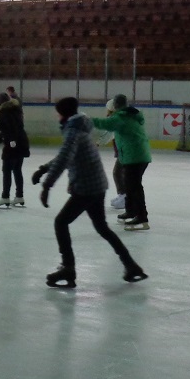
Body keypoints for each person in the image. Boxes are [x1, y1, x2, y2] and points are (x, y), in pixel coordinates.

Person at [33, 97, 148, 288]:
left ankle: (68, 268)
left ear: (63, 114)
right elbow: (66, 155)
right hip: (96, 185)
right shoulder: (79, 127)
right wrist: (44, 168)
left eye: (58, 113)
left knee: (61, 222)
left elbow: (64, 158)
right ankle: (131, 265)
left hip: (86, 188)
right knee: (102, 228)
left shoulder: (73, 131)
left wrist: (47, 186)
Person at [91, 94, 152, 231]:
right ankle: (131, 211)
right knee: (130, 185)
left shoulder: (121, 117)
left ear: (115, 106)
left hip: (134, 156)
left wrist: (86, 120)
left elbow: (104, 124)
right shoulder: (129, 115)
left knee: (134, 187)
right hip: (136, 155)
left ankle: (142, 217)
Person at [0, 92, 29, 208]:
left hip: (13, 145)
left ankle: (5, 197)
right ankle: (19, 196)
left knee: (7, 171)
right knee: (17, 170)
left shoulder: (4, 112)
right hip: (22, 143)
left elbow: (10, 129)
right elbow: (7, 130)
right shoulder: (16, 110)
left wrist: (12, 140)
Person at [94, 99, 126, 209]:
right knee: (121, 173)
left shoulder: (115, 119)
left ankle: (124, 197)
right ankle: (123, 196)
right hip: (126, 150)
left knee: (118, 173)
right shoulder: (122, 117)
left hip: (126, 151)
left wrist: (97, 143)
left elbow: (108, 133)